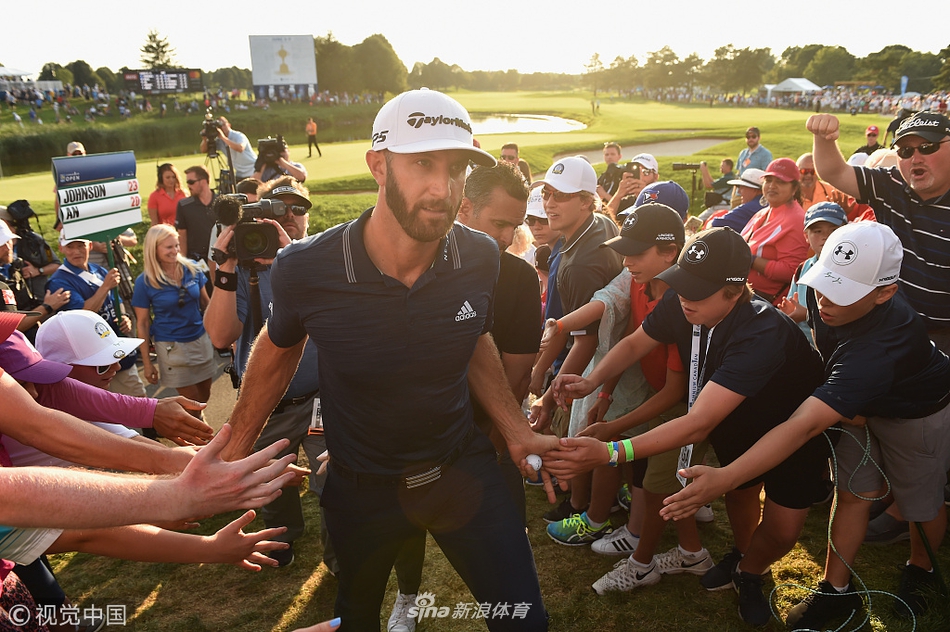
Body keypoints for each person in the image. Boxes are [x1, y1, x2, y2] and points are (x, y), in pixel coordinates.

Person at [219, 88, 556, 632]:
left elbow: (471, 338)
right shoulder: (307, 267)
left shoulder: (479, 256)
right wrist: (233, 448)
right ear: (379, 165)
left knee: (524, 622)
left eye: (457, 169)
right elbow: (278, 351)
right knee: (356, 622)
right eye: (422, 163)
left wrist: (514, 429)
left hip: (461, 470)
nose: (442, 188)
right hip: (363, 487)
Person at [661, 222, 950, 627]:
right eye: (822, 283)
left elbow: (802, 427)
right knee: (852, 494)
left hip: (914, 411)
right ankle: (836, 591)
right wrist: (845, 401)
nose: (825, 300)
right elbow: (823, 349)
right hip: (851, 400)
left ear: (885, 292)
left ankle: (920, 569)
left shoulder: (881, 346)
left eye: (842, 292)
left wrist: (725, 477)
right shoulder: (826, 292)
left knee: (921, 501)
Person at [545, 227, 830, 627]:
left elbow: (698, 423)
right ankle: (746, 563)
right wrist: (590, 382)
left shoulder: (762, 330)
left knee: (783, 532)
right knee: (741, 497)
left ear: (735, 291)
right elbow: (633, 344)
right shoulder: (686, 304)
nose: (683, 298)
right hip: (736, 427)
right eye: (682, 285)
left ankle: (752, 569)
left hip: (793, 435)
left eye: (696, 291)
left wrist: (612, 451)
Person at [387, 161, 540, 631]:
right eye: (500, 223)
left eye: (517, 225)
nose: (509, 235)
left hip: (485, 443)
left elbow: (516, 376)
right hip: (409, 444)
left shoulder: (518, 278)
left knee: (507, 558)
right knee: (404, 531)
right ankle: (408, 597)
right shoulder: (404, 266)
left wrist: (492, 443)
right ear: (466, 208)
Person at [205, 176, 332, 571]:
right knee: (270, 481)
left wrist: (293, 260)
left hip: (318, 396)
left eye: (298, 209)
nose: (290, 216)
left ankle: (340, 556)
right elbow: (221, 334)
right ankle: (281, 539)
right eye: (280, 208)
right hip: (265, 402)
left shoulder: (321, 257)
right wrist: (224, 268)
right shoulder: (243, 268)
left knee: (332, 477)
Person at [529, 156, 624, 523]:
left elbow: (583, 342)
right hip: (607, 353)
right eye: (548, 194)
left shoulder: (582, 262)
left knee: (585, 433)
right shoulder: (593, 225)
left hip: (604, 359)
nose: (550, 203)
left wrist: (550, 396)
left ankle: (584, 508)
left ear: (587, 200)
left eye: (562, 196)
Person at [806, 110, 950, 353]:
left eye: (927, 147)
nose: (915, 158)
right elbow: (835, 172)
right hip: (890, 325)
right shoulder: (890, 185)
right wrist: (823, 138)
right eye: (905, 151)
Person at [47, 233, 146, 398]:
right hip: (92, 360)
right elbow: (80, 317)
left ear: (90, 246)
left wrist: (124, 317)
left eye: (81, 245)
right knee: (105, 410)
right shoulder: (59, 281)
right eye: (70, 247)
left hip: (116, 350)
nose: (76, 251)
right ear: (61, 248)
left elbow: (117, 299)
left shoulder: (98, 269)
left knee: (139, 398)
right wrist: (105, 286)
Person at [132, 225, 214, 412]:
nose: (175, 251)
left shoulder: (193, 269)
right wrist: (147, 363)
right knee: (191, 400)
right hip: (171, 347)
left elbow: (206, 304)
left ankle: (198, 424)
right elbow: (143, 324)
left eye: (177, 245)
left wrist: (221, 336)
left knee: (204, 395)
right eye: (169, 247)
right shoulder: (144, 282)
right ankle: (200, 434)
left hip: (200, 340)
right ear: (154, 249)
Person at [739, 158, 808, 305]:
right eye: (768, 180)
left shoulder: (796, 220)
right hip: (745, 294)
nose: (772, 186)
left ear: (794, 188)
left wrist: (751, 260)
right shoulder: (763, 213)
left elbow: (791, 271)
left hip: (766, 304)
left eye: (780, 182)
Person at [778, 201, 849, 343]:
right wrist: (789, 311)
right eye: (817, 231)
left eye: (833, 230)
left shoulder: (850, 269)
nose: (826, 236)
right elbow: (794, 303)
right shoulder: (803, 268)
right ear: (806, 236)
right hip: (804, 348)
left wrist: (806, 315)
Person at [0, 219, 69, 334]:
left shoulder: (13, 269)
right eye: (1, 244)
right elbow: (11, 329)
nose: (8, 247)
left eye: (9, 240)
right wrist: (47, 307)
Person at [175, 166, 217, 263]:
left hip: (219, 259)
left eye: (191, 182)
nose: (188, 186)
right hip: (196, 260)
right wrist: (183, 262)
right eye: (187, 183)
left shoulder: (221, 202)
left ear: (203, 181)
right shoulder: (184, 205)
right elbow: (182, 236)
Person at [606, 154, 660, 218]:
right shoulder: (627, 201)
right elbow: (605, 221)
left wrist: (645, 195)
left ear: (655, 177)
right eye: (637, 172)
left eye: (646, 172)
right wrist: (618, 194)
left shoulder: (663, 196)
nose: (641, 176)